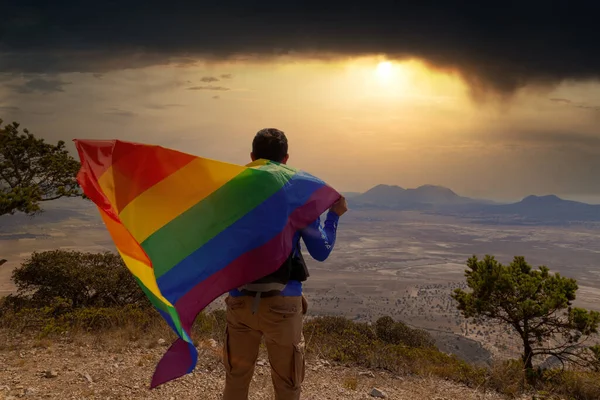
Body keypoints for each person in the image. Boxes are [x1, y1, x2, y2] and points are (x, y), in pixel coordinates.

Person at [222, 128, 347, 400]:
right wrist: (333, 217)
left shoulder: (230, 194)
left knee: (236, 381)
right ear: (286, 159)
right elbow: (321, 250)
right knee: (288, 386)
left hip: (240, 301)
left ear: (252, 157)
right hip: (284, 304)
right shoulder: (298, 195)